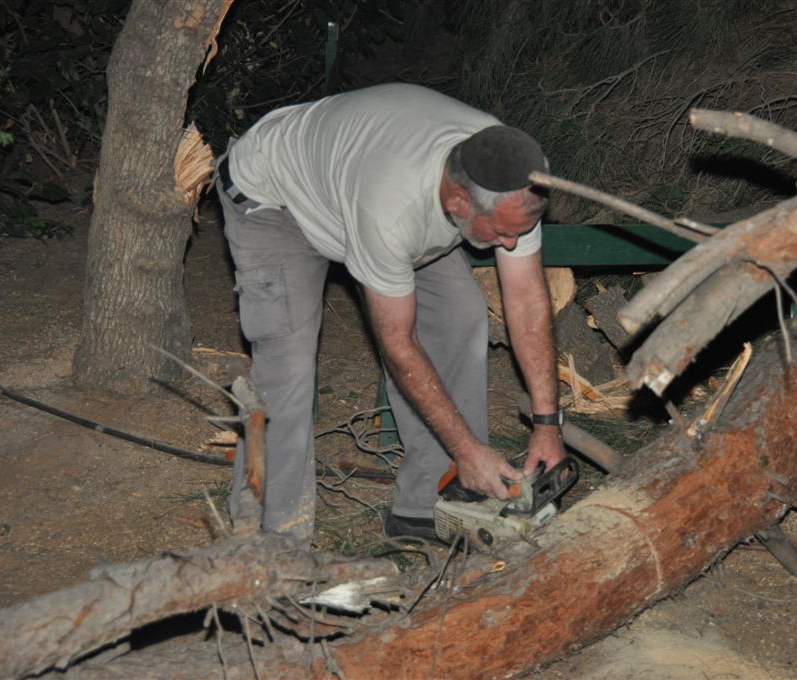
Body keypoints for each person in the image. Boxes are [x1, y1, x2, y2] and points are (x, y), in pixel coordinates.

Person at [214, 83, 564, 542]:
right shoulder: (390, 209)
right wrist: (466, 447)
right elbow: (399, 344)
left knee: (461, 316)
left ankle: (428, 504)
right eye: (502, 234)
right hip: (274, 200)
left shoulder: (509, 178)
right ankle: (268, 547)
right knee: (288, 370)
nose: (513, 245)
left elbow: (526, 300)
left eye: (522, 232)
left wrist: (547, 423)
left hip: (358, 189)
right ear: (460, 202)